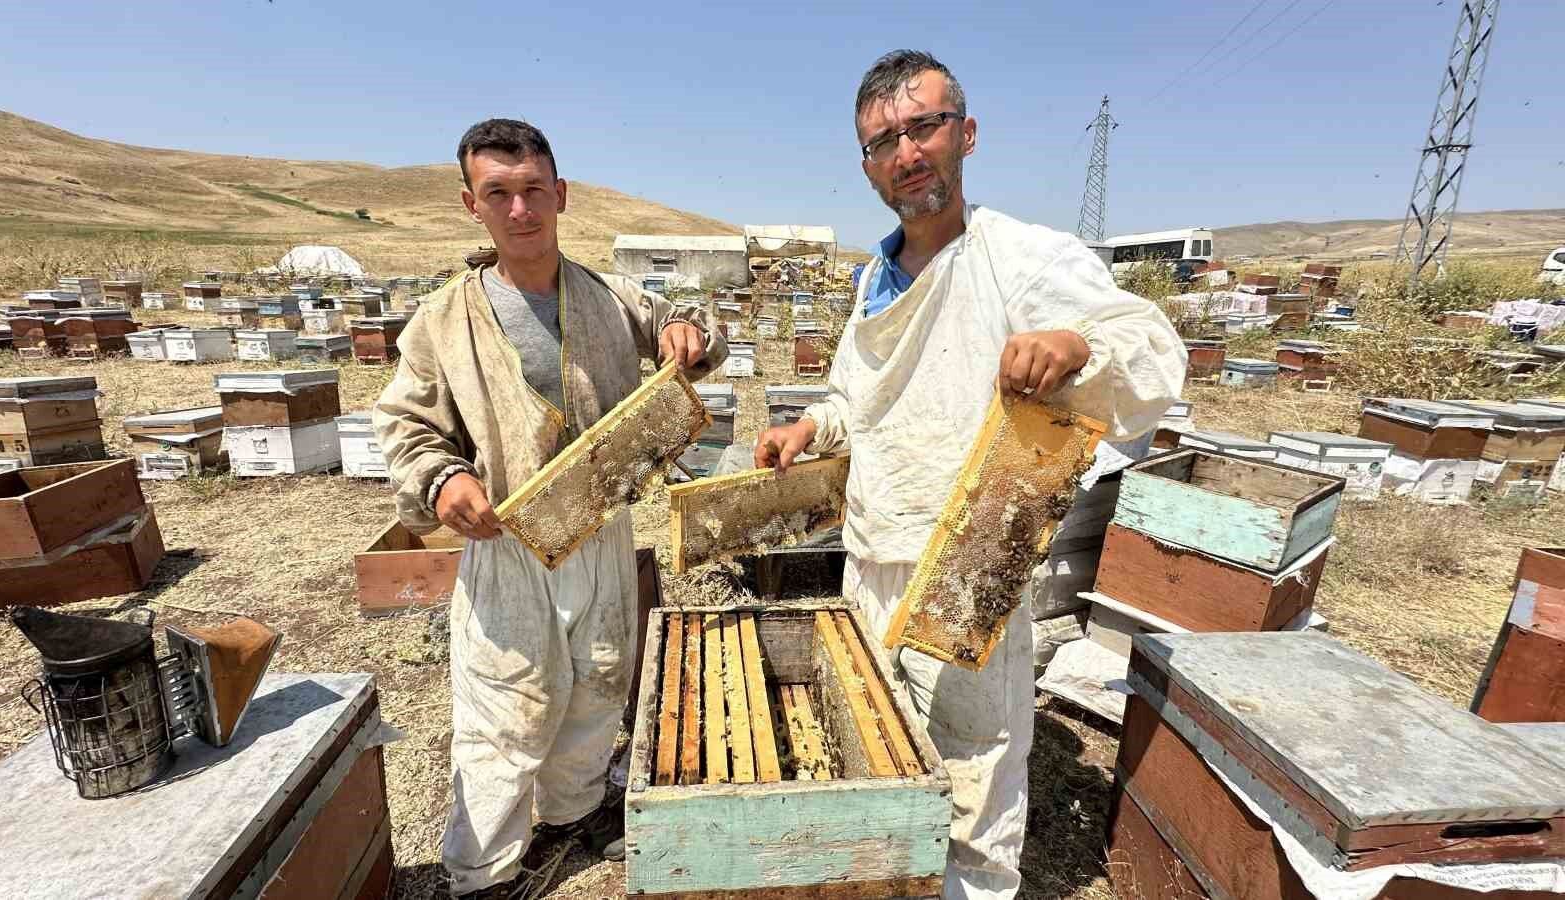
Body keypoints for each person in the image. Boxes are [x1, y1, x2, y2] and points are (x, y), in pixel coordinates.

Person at [754, 51, 1186, 899]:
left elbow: (1150, 344)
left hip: (973, 561)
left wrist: (1077, 344)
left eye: (924, 127)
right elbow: (859, 399)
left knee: (975, 759)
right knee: (877, 741)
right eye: (884, 140)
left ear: (967, 134)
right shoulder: (872, 280)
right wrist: (810, 423)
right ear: (868, 166)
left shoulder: (1022, 257)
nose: (907, 152)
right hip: (873, 552)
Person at [373, 118, 726, 900]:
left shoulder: (611, 295)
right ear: (473, 205)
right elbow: (404, 424)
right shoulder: (443, 319)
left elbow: (697, 332)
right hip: (508, 545)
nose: (520, 209)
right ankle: (483, 872)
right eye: (499, 193)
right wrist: (442, 482)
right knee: (506, 706)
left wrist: (686, 331)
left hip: (602, 529)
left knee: (600, 679)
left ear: (560, 195)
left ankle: (573, 812)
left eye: (534, 190)